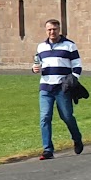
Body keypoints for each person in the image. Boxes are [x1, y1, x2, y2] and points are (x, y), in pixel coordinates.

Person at [33, 18, 83, 160]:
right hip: (45, 87)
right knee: (45, 117)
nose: (52, 32)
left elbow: (77, 66)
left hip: (62, 88)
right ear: (46, 31)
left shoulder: (69, 45)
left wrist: (72, 80)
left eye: (54, 29)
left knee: (67, 116)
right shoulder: (41, 47)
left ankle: (77, 138)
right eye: (49, 29)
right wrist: (34, 68)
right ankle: (47, 149)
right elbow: (37, 63)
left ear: (59, 30)